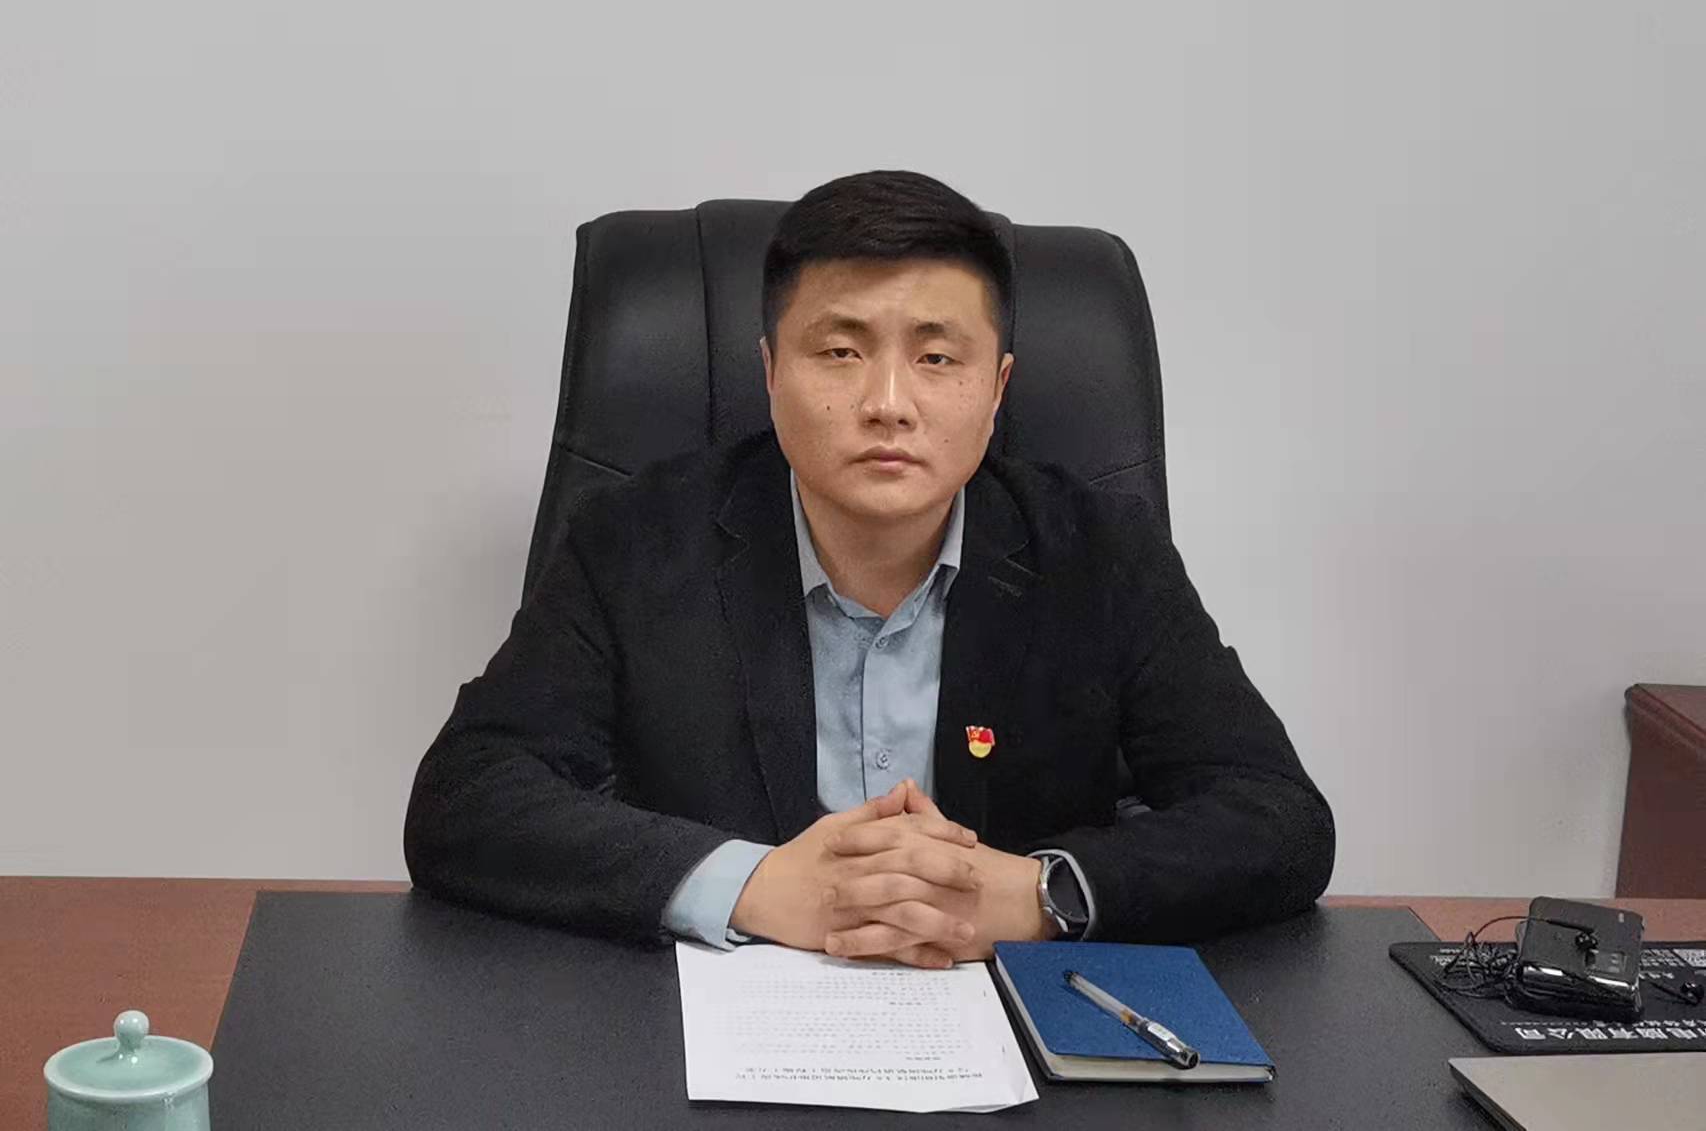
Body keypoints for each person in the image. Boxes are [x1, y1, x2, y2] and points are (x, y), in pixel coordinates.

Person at [404, 169, 1334, 969]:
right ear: (771, 372)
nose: (889, 403)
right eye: (841, 352)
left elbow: (1277, 816)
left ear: (998, 388)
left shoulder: (1099, 552)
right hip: (706, 1033)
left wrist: (1035, 895)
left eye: (937, 356)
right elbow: (468, 793)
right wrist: (755, 885)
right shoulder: (637, 540)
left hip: (1018, 1042)